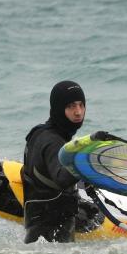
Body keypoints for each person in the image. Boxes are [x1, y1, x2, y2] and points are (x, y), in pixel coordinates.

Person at [22, 80, 86, 243]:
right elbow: (62, 178)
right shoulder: (53, 143)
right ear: (59, 108)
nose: (78, 112)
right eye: (71, 106)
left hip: (36, 229)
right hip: (55, 238)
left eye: (81, 105)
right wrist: (87, 158)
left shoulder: (39, 133)